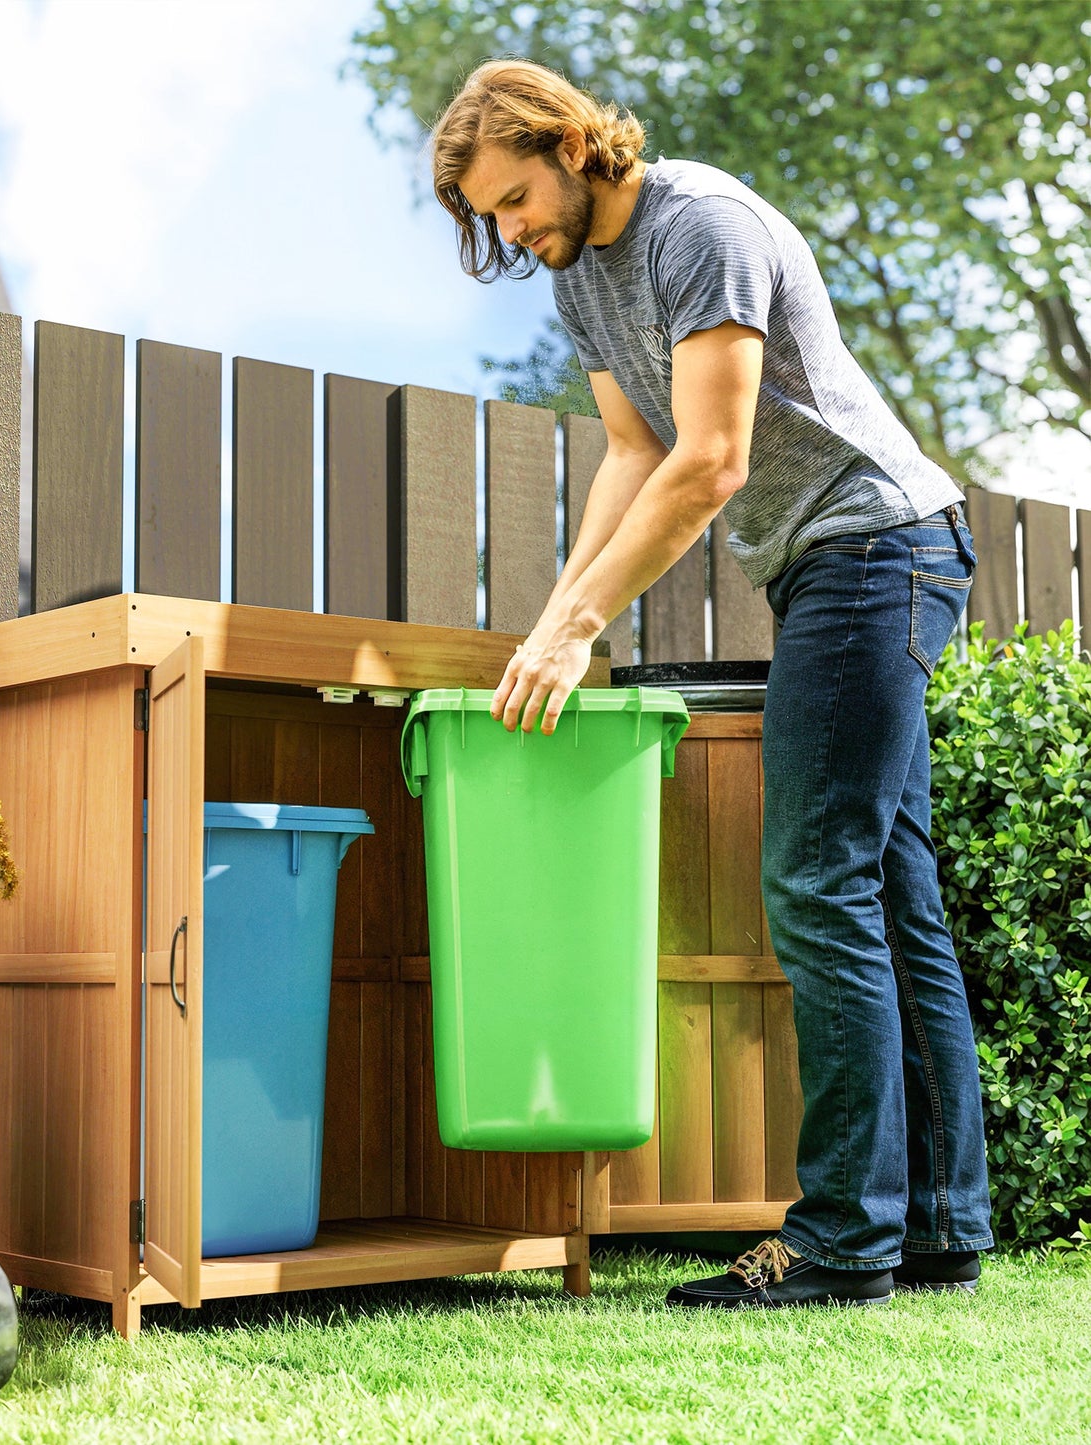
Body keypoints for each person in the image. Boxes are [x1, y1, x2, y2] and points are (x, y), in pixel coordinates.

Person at [430, 59, 993, 1307]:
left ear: (570, 145)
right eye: (492, 218)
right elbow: (632, 451)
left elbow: (712, 460)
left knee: (815, 879)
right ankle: (937, 1227)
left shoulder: (705, 229)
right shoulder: (582, 277)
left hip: (878, 546)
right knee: (890, 891)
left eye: (515, 197)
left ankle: (843, 1237)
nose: (511, 232)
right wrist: (546, 622)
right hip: (828, 567)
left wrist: (580, 625)